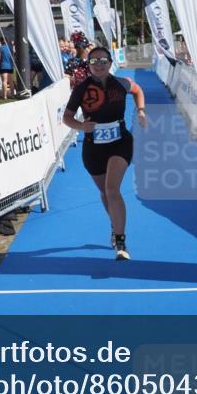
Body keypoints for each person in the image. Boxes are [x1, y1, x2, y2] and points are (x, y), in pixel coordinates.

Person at [62, 46, 147, 261]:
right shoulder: (81, 89)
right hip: (93, 146)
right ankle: (114, 224)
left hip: (120, 142)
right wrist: (81, 127)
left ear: (110, 63)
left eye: (103, 61)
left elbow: (138, 91)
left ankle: (120, 240)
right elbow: (67, 118)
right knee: (105, 191)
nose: (99, 65)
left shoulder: (121, 83)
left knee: (112, 188)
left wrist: (141, 111)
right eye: (94, 61)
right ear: (88, 65)